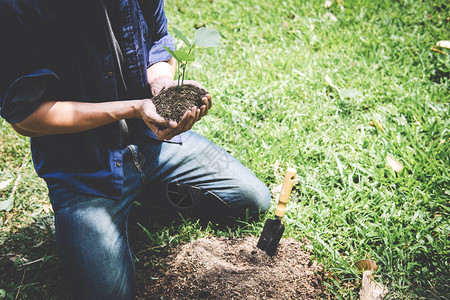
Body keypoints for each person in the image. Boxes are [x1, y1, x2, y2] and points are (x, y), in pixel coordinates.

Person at [0, 0, 270, 298]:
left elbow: (157, 45)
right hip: (84, 171)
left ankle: (147, 193)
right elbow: (27, 118)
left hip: (151, 142)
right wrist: (132, 108)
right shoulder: (20, 7)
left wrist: (163, 86)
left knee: (252, 198)